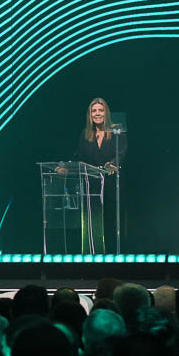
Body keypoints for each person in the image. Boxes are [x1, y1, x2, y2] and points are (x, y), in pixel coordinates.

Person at [59, 97, 125, 253]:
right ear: (90, 115)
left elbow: (122, 152)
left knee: (111, 222)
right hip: (92, 185)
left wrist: (112, 163)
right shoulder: (85, 134)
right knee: (93, 222)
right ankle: (94, 255)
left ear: (106, 112)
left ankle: (114, 255)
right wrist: (66, 168)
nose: (97, 113)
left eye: (100, 110)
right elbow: (80, 158)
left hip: (112, 184)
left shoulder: (116, 131)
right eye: (94, 111)